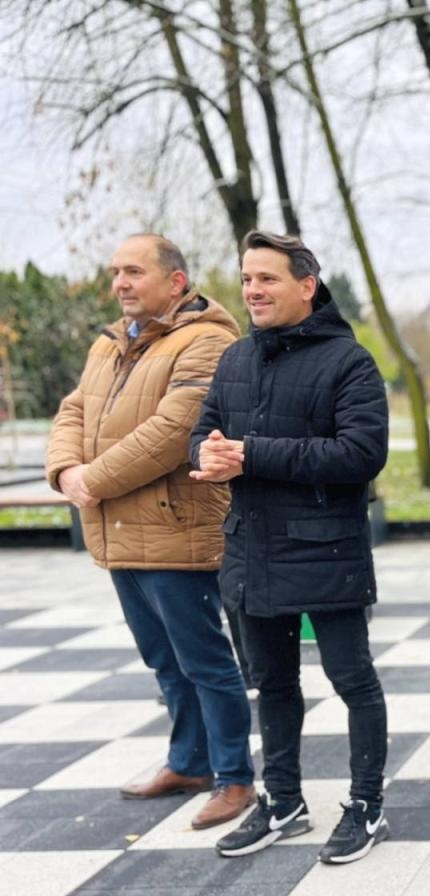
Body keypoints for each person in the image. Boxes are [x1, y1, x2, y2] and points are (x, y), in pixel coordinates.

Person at [190, 231, 391, 865]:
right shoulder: (235, 359)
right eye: (247, 279)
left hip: (325, 552)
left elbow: (361, 455)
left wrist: (250, 454)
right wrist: (205, 453)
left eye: (267, 279)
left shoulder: (349, 362)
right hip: (251, 552)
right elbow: (204, 428)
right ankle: (282, 801)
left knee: (352, 680)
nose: (252, 290)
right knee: (272, 686)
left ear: (307, 285)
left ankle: (366, 807)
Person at [45, 234, 256, 830]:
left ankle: (234, 777)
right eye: (116, 272)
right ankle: (189, 761)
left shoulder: (209, 340)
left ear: (176, 282)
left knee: (204, 660)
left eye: (134, 271)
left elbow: (172, 432)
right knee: (163, 659)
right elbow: (73, 410)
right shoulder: (109, 343)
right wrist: (67, 471)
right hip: (119, 530)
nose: (120, 283)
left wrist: (93, 481)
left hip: (176, 528)